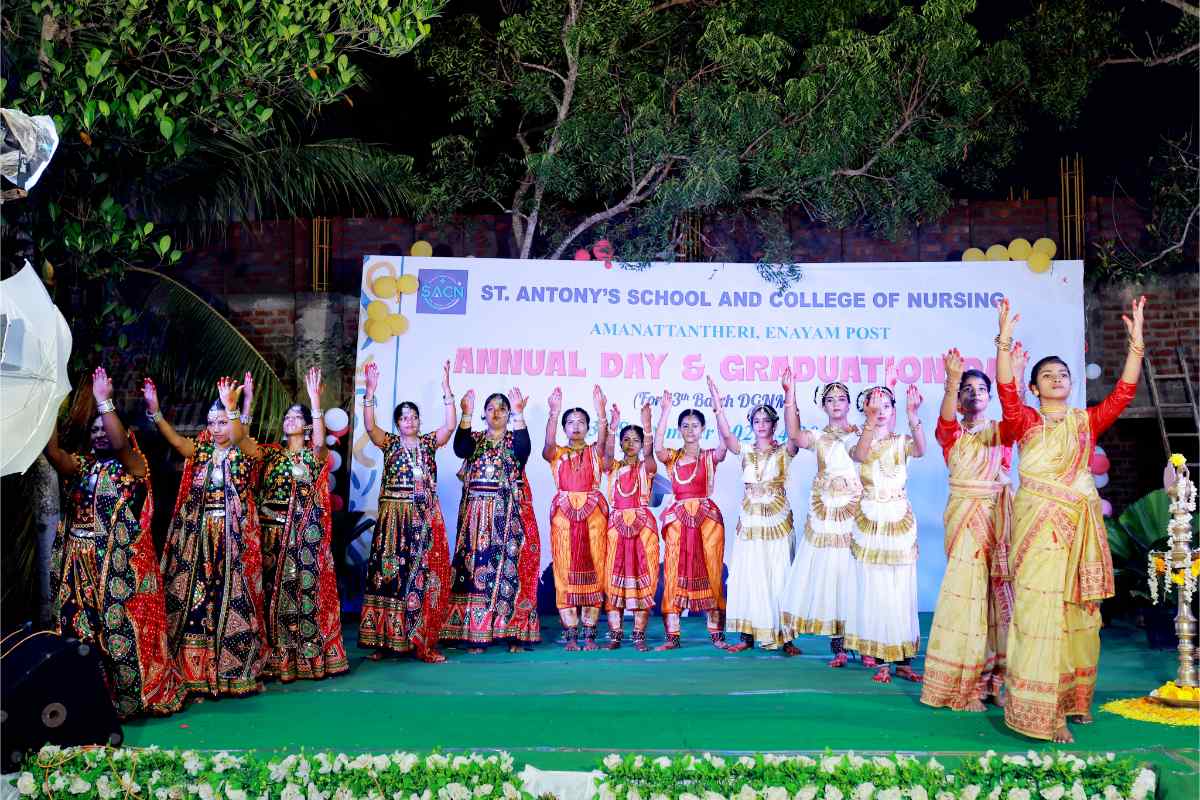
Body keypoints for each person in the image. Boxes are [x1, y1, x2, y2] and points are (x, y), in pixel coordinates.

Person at [997, 296, 1144, 743]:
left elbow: (1123, 394)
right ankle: (1043, 708)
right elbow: (1006, 392)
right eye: (1047, 375)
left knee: (1079, 612)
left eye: (1062, 373)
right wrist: (1003, 342)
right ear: (1034, 388)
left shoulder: (1086, 422)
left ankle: (1075, 699)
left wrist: (1136, 345)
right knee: (1041, 611)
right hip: (1038, 528)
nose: (1057, 378)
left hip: (1078, 528)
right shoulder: (1025, 421)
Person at [43, 367, 184, 717]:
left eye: (105, 428)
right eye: (94, 430)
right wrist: (46, 409)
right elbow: (54, 455)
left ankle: (130, 699)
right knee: (80, 629)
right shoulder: (82, 467)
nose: (100, 434)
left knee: (119, 631)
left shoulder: (134, 467)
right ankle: (89, 698)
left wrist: (104, 401)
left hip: (120, 571)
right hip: (80, 567)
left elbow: (120, 444)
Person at [920, 344, 1027, 711]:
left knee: (1000, 597)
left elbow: (1017, 418)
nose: (974, 394)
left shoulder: (1001, 432)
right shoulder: (951, 434)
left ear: (990, 397)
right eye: (967, 390)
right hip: (965, 517)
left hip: (998, 517)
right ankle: (964, 683)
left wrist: (1015, 376)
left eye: (981, 389)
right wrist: (952, 380)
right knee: (966, 593)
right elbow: (945, 420)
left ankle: (998, 679)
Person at [150, 373, 267, 697]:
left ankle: (234, 673)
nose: (216, 428)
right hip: (200, 541)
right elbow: (177, 443)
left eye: (222, 422)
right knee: (197, 603)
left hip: (234, 541)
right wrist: (156, 411)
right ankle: (196, 674)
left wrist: (237, 406)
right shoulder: (201, 450)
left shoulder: (244, 450)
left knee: (235, 601)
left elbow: (241, 435)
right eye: (211, 423)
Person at [247, 367, 347, 680]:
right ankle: (274, 659)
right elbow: (241, 443)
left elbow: (319, 446)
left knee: (300, 597)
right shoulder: (270, 455)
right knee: (270, 597)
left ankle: (303, 659)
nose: (290, 419)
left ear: (306, 426)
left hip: (302, 541)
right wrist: (245, 402)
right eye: (287, 416)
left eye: (296, 416)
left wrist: (315, 400)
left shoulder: (313, 457)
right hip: (270, 536)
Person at [358, 360, 457, 663]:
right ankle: (385, 640)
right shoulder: (389, 443)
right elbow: (370, 427)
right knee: (388, 575)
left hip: (422, 521)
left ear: (419, 420)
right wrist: (370, 393)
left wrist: (447, 390)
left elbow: (450, 427)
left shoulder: (428, 444)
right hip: (393, 520)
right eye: (404, 417)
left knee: (422, 577)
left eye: (414, 416)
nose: (409, 421)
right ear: (398, 423)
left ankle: (421, 640)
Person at [441, 388, 541, 653]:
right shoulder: (475, 440)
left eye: (502, 409)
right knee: (473, 572)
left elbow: (524, 451)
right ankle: (476, 633)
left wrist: (519, 414)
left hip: (506, 518)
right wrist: (466, 413)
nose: (495, 413)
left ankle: (511, 632)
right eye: (490, 409)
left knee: (507, 572)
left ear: (509, 415)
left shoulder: (513, 441)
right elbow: (460, 448)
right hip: (474, 519)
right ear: (483, 414)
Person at [711, 373, 802, 654]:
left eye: (766, 421)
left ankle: (786, 638)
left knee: (779, 572)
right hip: (750, 519)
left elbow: (795, 434)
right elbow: (728, 437)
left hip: (777, 519)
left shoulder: (786, 450)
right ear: (751, 424)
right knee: (749, 572)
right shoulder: (745, 450)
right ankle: (747, 636)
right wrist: (718, 406)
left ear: (774, 425)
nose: (761, 425)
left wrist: (789, 395)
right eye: (756, 421)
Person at [845, 378, 926, 684]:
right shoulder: (858, 441)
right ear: (866, 410)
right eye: (874, 406)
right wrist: (869, 421)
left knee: (901, 586)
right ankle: (880, 658)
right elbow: (861, 456)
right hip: (870, 519)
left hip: (898, 518)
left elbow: (921, 450)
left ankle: (903, 660)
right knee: (875, 586)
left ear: (894, 410)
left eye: (886, 406)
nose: (880, 411)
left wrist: (913, 414)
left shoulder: (903, 441)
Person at [778, 381, 862, 666]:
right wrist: (790, 396)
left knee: (855, 572)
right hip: (826, 514)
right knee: (831, 574)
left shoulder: (862, 434)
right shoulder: (818, 436)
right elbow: (794, 434)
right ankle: (839, 646)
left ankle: (864, 642)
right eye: (830, 400)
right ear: (824, 406)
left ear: (849, 403)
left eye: (841, 399)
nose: (836, 403)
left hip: (855, 510)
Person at [653, 391, 728, 650]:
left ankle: (717, 635)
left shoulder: (709, 457)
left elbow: (725, 446)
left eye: (695, 426)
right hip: (678, 520)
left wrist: (718, 407)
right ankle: (672, 637)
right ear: (679, 429)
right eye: (685, 426)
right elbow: (657, 448)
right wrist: (665, 411)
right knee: (674, 572)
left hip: (708, 521)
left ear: (703, 429)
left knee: (711, 572)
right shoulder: (672, 458)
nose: (690, 430)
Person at [543, 386, 611, 650]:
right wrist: (554, 412)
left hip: (594, 517)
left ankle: (590, 634)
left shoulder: (595, 452)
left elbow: (603, 443)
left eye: (581, 422)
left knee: (596, 568)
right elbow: (547, 447)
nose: (576, 426)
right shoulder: (557, 454)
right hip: (564, 518)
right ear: (563, 428)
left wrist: (601, 413)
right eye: (570, 422)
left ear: (588, 427)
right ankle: (571, 634)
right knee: (564, 571)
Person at [600, 402, 659, 651]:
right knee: (613, 579)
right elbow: (606, 457)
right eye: (626, 439)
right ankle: (615, 634)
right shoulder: (612, 468)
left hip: (643, 528)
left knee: (644, 579)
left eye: (636, 440)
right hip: (616, 527)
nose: (631, 443)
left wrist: (647, 426)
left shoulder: (647, 468)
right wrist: (612, 428)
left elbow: (650, 457)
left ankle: (638, 635)